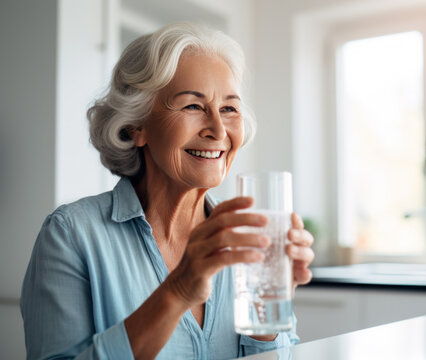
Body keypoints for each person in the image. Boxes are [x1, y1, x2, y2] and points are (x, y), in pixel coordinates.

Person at [20, 22, 314, 360]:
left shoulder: (247, 242)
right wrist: (178, 290)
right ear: (136, 126)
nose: (218, 129)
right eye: (192, 106)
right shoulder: (71, 235)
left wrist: (267, 320)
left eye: (229, 108)